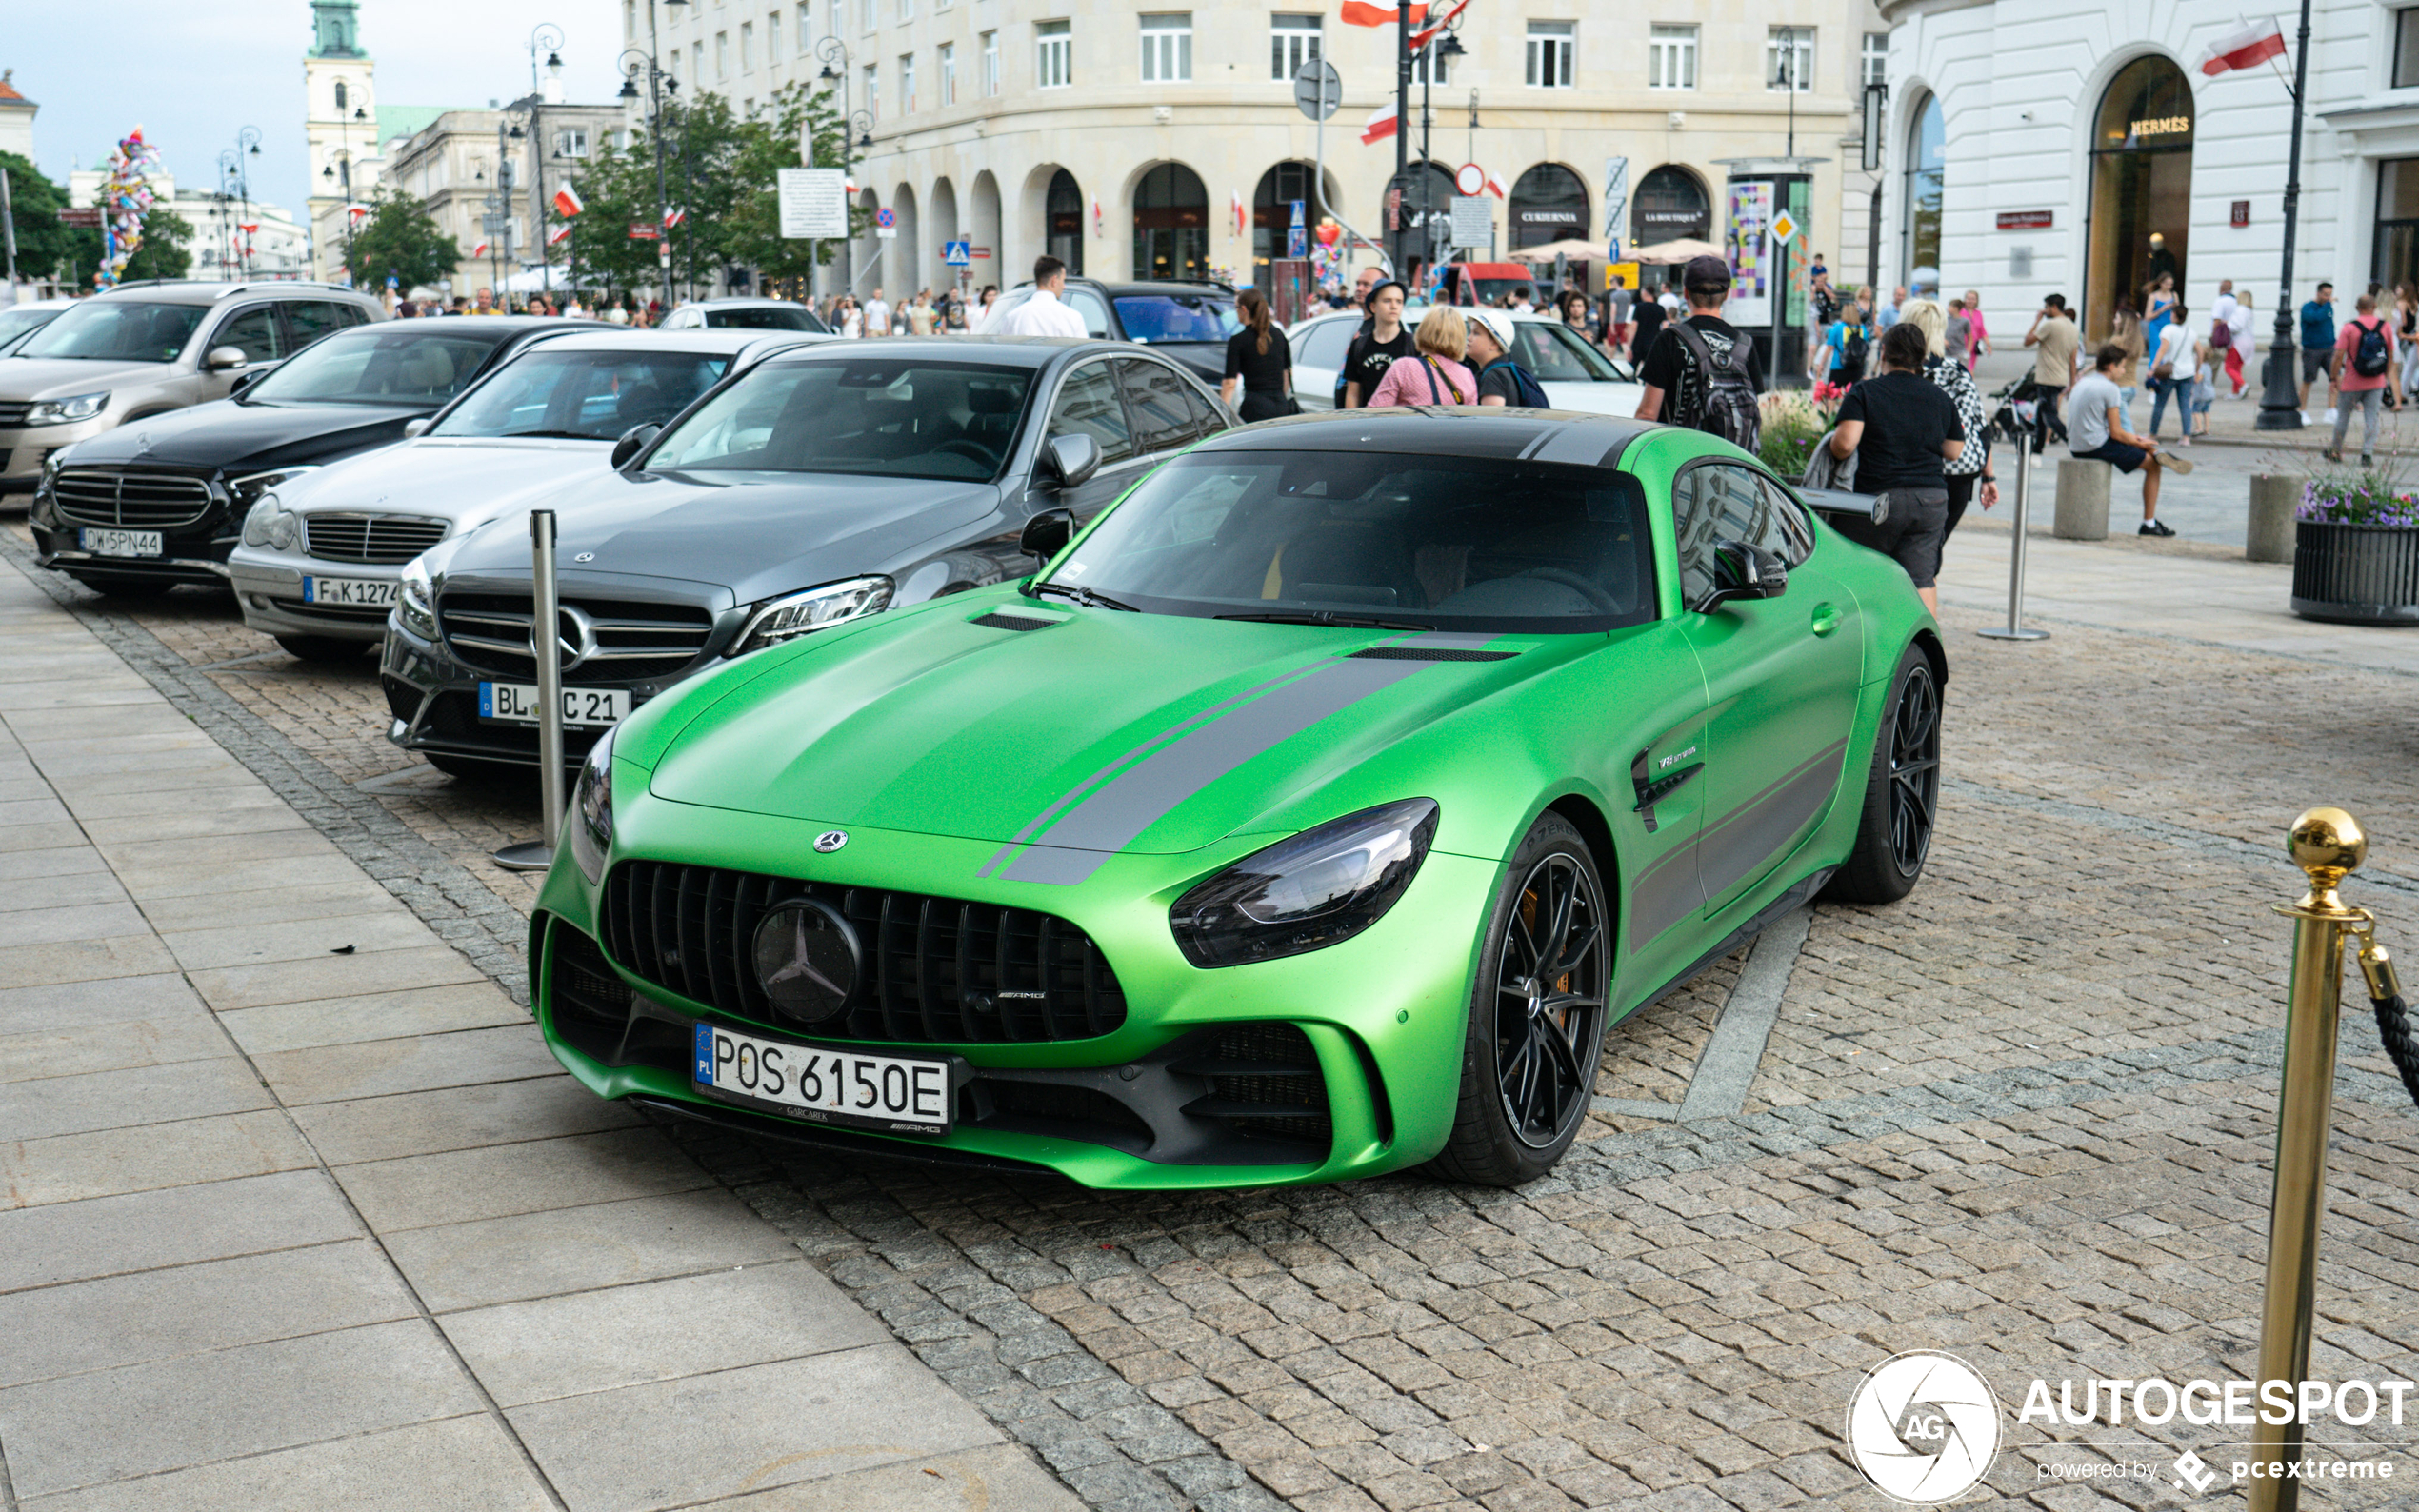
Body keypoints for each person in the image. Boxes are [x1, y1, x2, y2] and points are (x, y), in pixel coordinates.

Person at [1823, 323, 1965, 611]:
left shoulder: (1866, 392)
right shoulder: (1939, 396)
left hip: (1878, 501)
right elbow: (1954, 451)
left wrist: (1831, 444)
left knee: (1859, 572)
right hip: (1929, 500)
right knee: (1921, 579)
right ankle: (1925, 649)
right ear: (1921, 357)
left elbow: (1846, 444)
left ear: (1884, 351)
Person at [1898, 298, 1998, 543]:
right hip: (1959, 474)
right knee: (1932, 551)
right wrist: (1988, 477)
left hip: (1911, 477)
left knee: (1912, 554)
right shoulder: (1957, 371)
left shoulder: (1897, 371)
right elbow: (1979, 426)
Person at [2069, 340, 2190, 536]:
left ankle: (2154, 450)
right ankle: (2149, 523)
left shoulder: (2083, 382)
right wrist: (2137, 441)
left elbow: (2110, 430)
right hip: (2094, 445)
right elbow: (2117, 433)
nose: (2124, 372)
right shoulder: (2110, 389)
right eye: (2122, 367)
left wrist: (2135, 440)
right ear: (2111, 366)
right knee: (2153, 465)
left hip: (2077, 444)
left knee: (2138, 443)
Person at [1633, 254, 1764, 432]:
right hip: (1731, 457)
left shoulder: (1670, 340)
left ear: (1686, 293)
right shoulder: (1744, 345)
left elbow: (1647, 415)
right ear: (1726, 294)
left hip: (1681, 456)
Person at [2329, 290, 2402, 465]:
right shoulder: (2384, 327)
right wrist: (2384, 373)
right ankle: (2367, 454)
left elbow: (2338, 355)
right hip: (2376, 381)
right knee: (2372, 418)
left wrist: (2333, 377)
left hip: (2352, 381)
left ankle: (2336, 451)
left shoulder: (2349, 327)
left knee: (2343, 417)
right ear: (2375, 307)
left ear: (2357, 308)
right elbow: (2390, 353)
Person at [1366, 306, 1477, 407]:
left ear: (1423, 330)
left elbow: (1376, 412)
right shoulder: (1466, 376)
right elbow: (1471, 423)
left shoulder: (1404, 367)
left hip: (1411, 429)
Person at [1220, 287, 1295, 421]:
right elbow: (1286, 374)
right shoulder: (1278, 335)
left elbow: (1230, 384)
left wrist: (1220, 415)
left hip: (1255, 408)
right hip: (1281, 407)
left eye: (1236, 308)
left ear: (1243, 310)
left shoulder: (1238, 341)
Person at [1341, 280, 1414, 408]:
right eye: (1387, 301)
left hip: (1402, 423)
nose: (1394, 306)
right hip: (1369, 422)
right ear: (1373, 306)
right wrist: (1353, 423)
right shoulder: (1359, 345)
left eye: (1399, 301)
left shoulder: (1412, 344)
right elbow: (1353, 393)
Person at [2022, 294, 2081, 450]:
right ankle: (2037, 448)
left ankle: (2073, 442)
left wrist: (2037, 321)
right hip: (2061, 378)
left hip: (2047, 378)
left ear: (2054, 307)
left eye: (2047, 307)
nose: (2045, 310)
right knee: (2041, 415)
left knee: (2050, 416)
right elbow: (2073, 359)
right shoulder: (2073, 328)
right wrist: (2072, 382)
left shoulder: (2051, 325)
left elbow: (2027, 341)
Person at [992, 255, 1088, 337]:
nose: (1064, 287)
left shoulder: (1014, 317)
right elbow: (1083, 354)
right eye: (1063, 281)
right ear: (1054, 281)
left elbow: (1006, 353)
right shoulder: (1073, 317)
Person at [1466, 315, 1545, 406]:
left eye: (1476, 333)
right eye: (1470, 332)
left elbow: (1491, 418)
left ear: (1494, 343)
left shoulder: (1493, 377)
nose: (1469, 338)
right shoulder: (1504, 372)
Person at [2146, 303, 2194, 445]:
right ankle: (2186, 437)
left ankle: (2152, 434)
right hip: (2188, 372)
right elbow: (2200, 351)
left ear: (2174, 315)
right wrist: (2196, 370)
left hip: (2170, 373)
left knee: (2159, 404)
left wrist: (2153, 367)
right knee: (2185, 405)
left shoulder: (2168, 329)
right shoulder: (2190, 331)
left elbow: (2162, 349)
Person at [1816, 287, 1875, 396]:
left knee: (1832, 395)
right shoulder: (1863, 329)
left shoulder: (1837, 328)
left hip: (1838, 365)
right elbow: (1866, 348)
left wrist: (1821, 364)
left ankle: (1832, 413)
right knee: (1853, 395)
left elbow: (1829, 347)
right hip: (1857, 367)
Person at [2300, 281, 2337, 423]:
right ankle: (2302, 410)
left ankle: (2331, 410)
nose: (2328, 297)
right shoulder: (2308, 308)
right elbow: (2315, 318)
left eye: (2330, 294)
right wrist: (2328, 304)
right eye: (2325, 294)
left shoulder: (2328, 308)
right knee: (2308, 380)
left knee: (2335, 378)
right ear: (2318, 293)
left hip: (2329, 348)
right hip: (2312, 349)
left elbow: (2329, 324)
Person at [1629, 291, 1668, 367]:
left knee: (1633, 367)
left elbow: (1634, 326)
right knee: (1652, 369)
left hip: (1639, 342)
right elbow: (1665, 326)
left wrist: (1629, 345)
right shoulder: (1660, 308)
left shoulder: (1639, 307)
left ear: (1644, 294)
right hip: (1653, 343)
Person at [2143, 270, 2177, 352]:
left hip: (2169, 326)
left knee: (2168, 350)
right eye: (2167, 284)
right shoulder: (2153, 296)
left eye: (2171, 284)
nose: (2169, 286)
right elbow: (2147, 316)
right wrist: (2163, 308)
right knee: (2157, 349)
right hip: (2156, 327)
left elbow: (2178, 312)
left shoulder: (2174, 295)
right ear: (2161, 283)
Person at [1960, 290, 1990, 368]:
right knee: (1967, 369)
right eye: (1968, 299)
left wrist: (1988, 344)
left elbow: (1982, 330)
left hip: (1974, 347)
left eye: (1973, 299)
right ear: (1965, 300)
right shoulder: (1961, 312)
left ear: (1976, 300)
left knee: (1970, 368)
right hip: (1962, 346)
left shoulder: (1978, 313)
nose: (1970, 301)